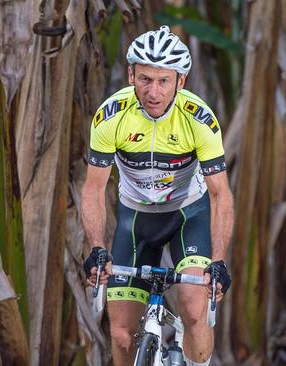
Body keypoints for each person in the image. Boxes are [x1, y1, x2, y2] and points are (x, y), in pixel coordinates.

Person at [81, 25, 233, 366]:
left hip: (187, 217)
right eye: (145, 79)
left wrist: (219, 262)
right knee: (121, 334)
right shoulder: (111, 116)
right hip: (134, 220)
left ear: (180, 81)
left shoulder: (199, 120)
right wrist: (96, 249)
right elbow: (93, 188)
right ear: (131, 74)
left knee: (194, 311)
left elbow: (220, 195)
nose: (153, 91)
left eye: (164, 81)